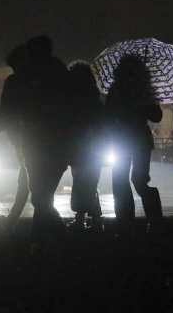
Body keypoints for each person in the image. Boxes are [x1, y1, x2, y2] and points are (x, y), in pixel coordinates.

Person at [16, 35, 71, 247]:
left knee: (40, 198)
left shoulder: (29, 76)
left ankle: (59, 240)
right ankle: (39, 241)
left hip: (36, 144)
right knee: (43, 198)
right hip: (56, 145)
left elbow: (19, 107)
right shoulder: (60, 74)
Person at [105, 54, 164, 236]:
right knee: (138, 180)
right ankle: (151, 221)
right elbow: (157, 116)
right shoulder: (143, 90)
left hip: (123, 138)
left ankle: (126, 223)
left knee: (121, 181)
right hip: (138, 139)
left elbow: (107, 115)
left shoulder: (117, 90)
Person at [0, 44, 30, 234]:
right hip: (41, 137)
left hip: (23, 139)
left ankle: (54, 232)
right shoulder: (45, 80)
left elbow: (5, 110)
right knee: (29, 183)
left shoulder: (15, 82)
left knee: (28, 183)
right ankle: (13, 221)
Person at [66, 60, 105, 233]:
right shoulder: (95, 101)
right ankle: (95, 218)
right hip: (95, 149)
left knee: (81, 182)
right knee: (90, 183)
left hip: (79, 148)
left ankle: (81, 217)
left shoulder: (72, 102)